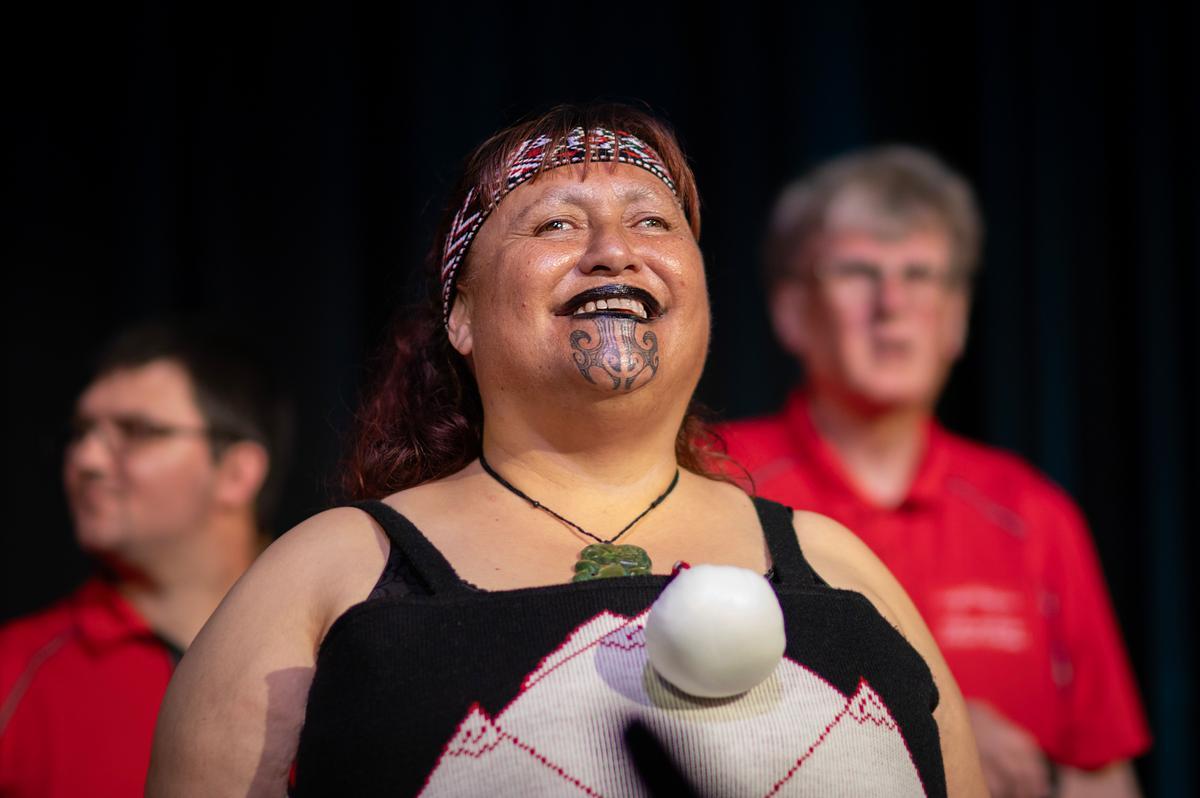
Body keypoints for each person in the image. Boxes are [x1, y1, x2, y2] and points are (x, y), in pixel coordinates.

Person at [147, 105, 986, 797]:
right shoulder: (330, 572)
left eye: (653, 221)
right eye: (555, 222)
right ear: (462, 319)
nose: (614, 249)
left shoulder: (836, 562)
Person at [716, 146, 1150, 797]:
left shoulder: (1034, 514)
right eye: (856, 271)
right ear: (791, 310)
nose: (891, 303)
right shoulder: (711, 479)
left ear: (957, 318)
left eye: (921, 274)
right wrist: (937, 728)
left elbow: (1102, 775)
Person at [0, 319, 290, 798]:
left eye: (136, 431)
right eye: (81, 432)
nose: (86, 460)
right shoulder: (14, 670)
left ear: (238, 472)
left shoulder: (342, 654)